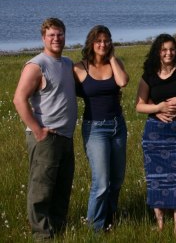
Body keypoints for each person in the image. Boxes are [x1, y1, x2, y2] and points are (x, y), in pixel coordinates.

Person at [13, 18, 78, 240]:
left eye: (60, 34)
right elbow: (19, 100)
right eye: (51, 35)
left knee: (62, 187)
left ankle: (57, 228)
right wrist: (38, 131)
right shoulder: (36, 65)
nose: (56, 39)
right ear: (43, 38)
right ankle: (42, 235)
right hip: (46, 137)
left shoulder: (67, 63)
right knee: (41, 190)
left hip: (66, 136)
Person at [136, 33, 176, 235]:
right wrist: (158, 108)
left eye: (172, 49)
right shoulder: (149, 74)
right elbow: (139, 106)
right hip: (155, 133)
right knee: (156, 178)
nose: (168, 53)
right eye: (164, 50)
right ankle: (160, 223)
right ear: (157, 51)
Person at [73, 25, 129, 231]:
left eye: (106, 41)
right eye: (98, 41)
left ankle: (109, 220)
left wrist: (112, 58)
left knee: (117, 179)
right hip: (95, 129)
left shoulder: (115, 63)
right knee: (102, 182)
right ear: (91, 43)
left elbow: (122, 82)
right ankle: (94, 229)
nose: (103, 44)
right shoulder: (79, 68)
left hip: (118, 126)